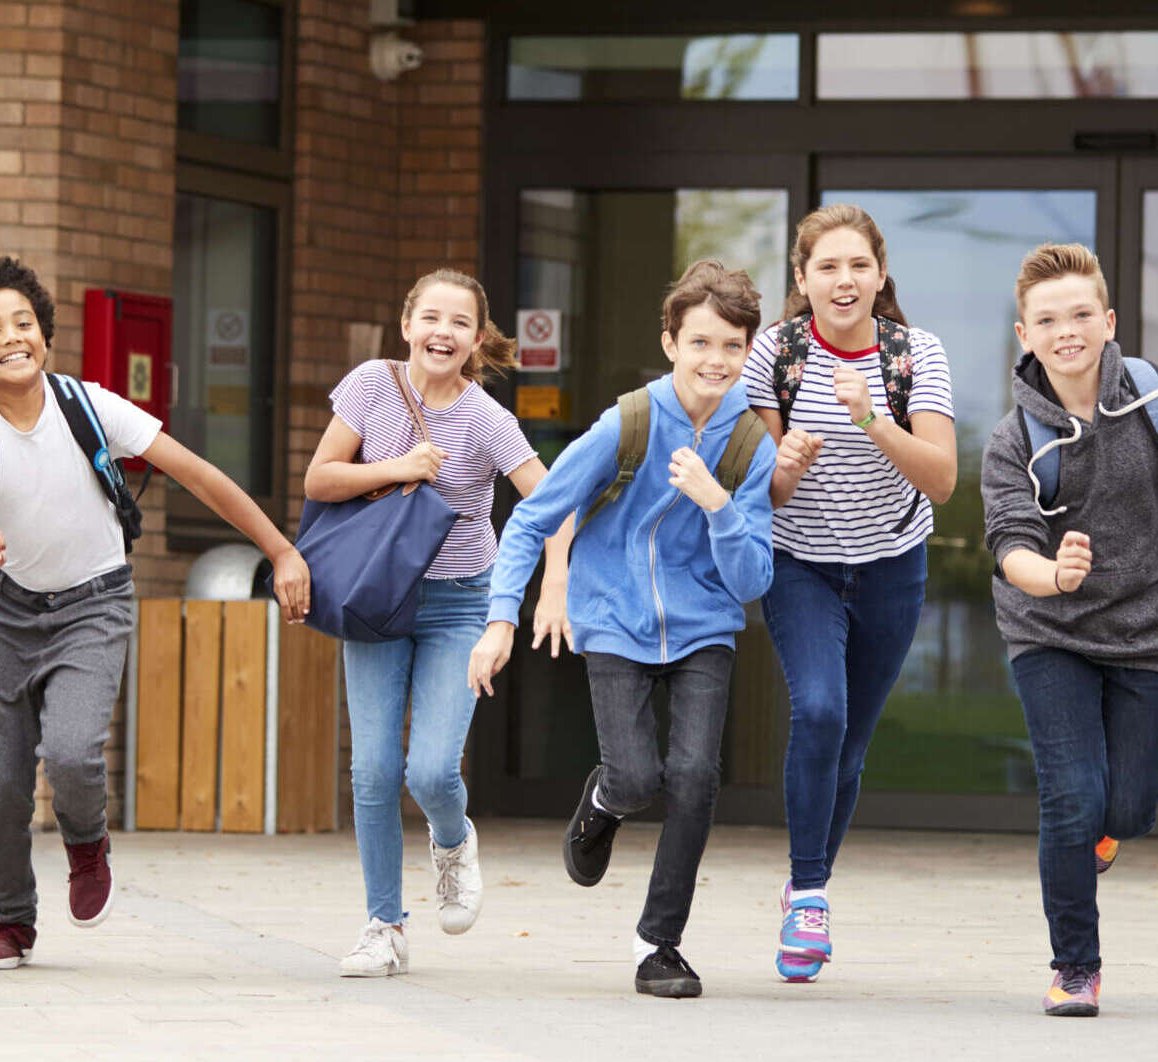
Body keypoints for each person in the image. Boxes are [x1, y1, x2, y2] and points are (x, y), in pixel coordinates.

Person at [0, 253, 310, 970]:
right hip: (7, 614)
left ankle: (86, 841)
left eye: (24, 322)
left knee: (70, 751)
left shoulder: (90, 404)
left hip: (95, 603)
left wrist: (282, 550)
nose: (13, 337)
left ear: (44, 332)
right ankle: (11, 920)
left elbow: (202, 476)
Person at [979, 243, 1158, 1017]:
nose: (1066, 331)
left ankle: (1101, 839)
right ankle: (1075, 967)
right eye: (1048, 319)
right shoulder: (1013, 442)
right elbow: (1010, 548)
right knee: (1072, 799)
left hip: (1150, 628)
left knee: (1129, 808)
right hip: (1050, 631)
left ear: (1108, 321)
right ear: (1025, 334)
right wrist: (1057, 575)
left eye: (1081, 314)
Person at [471, 259, 778, 998]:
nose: (716, 361)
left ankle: (659, 943)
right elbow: (531, 520)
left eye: (732, 347)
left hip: (704, 626)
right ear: (670, 341)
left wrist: (718, 506)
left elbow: (753, 580)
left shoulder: (749, 447)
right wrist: (501, 618)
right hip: (612, 618)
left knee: (697, 778)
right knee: (638, 777)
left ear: (747, 353)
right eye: (701, 342)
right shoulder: (630, 422)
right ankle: (605, 801)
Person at [301, 268, 569, 977]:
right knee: (373, 768)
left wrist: (552, 590)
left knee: (430, 771)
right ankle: (383, 925)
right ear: (407, 325)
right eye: (431, 318)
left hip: (458, 602)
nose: (442, 333)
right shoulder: (369, 386)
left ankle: (452, 841)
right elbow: (319, 479)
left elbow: (550, 507)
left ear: (476, 339)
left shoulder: (487, 419)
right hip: (378, 594)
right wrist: (395, 468)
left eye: (459, 323)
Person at [744, 204, 954, 982]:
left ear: (880, 273)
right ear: (801, 279)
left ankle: (805, 883)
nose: (844, 280)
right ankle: (811, 894)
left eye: (858, 265)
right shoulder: (775, 352)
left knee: (853, 744)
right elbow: (758, 492)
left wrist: (871, 418)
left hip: (893, 564)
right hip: (801, 563)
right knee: (821, 712)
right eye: (826, 266)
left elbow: (942, 478)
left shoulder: (915, 354)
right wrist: (787, 466)